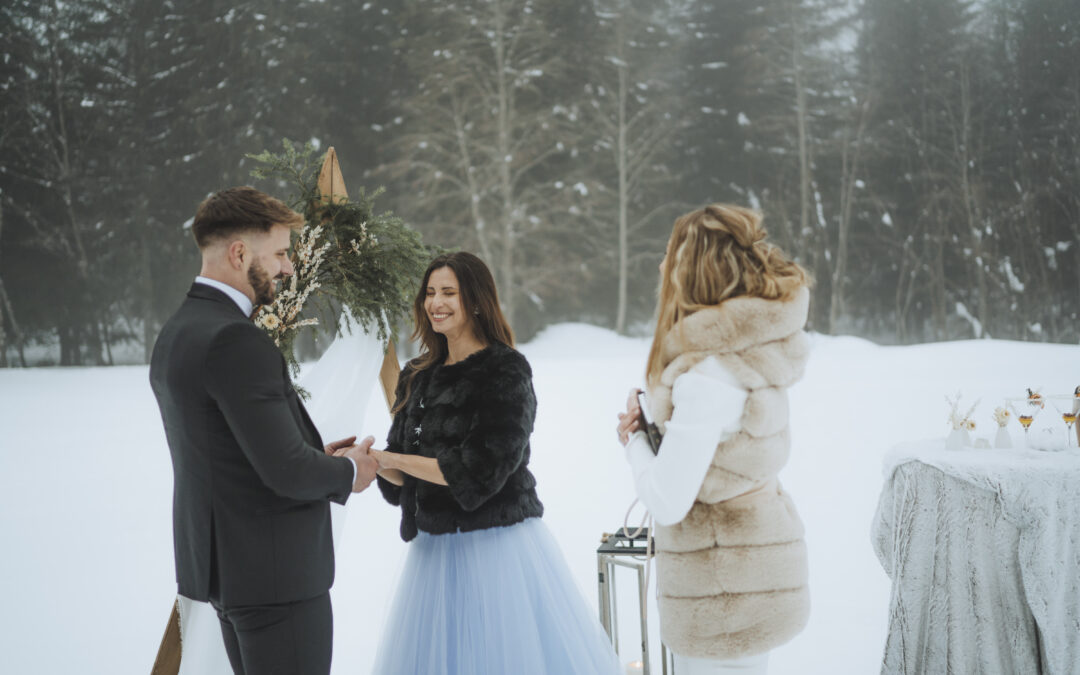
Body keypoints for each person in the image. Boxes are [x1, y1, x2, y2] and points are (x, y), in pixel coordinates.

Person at [149, 186, 379, 675]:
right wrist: (349, 473)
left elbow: (227, 448)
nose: (288, 268)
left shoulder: (177, 333)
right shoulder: (235, 339)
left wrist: (319, 453)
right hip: (277, 581)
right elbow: (286, 471)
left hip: (228, 574)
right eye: (278, 253)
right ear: (238, 253)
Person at [368, 251, 622, 675]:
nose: (436, 303)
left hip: (496, 548)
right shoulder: (417, 374)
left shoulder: (504, 370)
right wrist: (372, 460)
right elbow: (403, 474)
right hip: (433, 553)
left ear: (477, 300)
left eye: (449, 292)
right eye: (430, 293)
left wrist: (395, 459)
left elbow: (479, 471)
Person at [615, 204, 811, 675]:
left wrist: (635, 443)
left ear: (692, 270)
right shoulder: (747, 354)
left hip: (723, 594)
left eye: (670, 254)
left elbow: (666, 500)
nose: (662, 266)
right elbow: (726, 458)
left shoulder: (709, 377)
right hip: (750, 575)